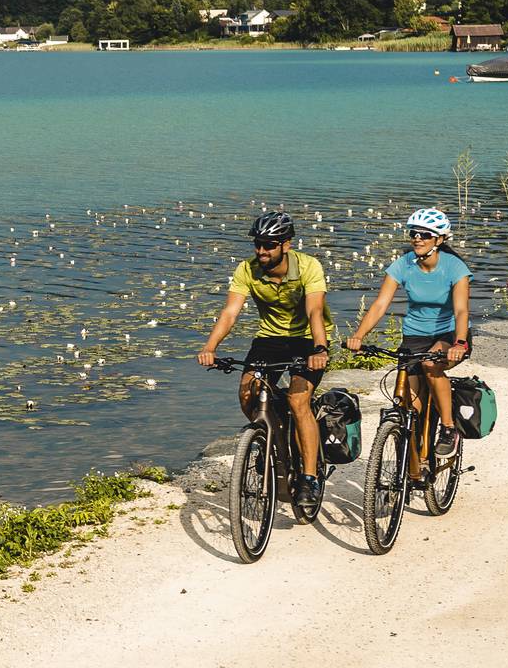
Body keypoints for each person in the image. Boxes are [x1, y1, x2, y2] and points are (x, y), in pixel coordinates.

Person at [197, 211, 332, 508]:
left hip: (308, 338)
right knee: (247, 394)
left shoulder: (308, 266)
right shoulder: (248, 269)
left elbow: (315, 313)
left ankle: (309, 477)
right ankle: (271, 438)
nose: (261, 251)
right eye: (258, 244)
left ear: (286, 244)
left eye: (269, 245)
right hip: (270, 339)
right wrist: (210, 346)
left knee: (299, 401)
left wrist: (320, 350)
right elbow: (230, 312)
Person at [344, 207, 473, 461]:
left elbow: (461, 311)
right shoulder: (404, 264)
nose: (417, 238)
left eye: (425, 234)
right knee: (409, 407)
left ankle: (448, 429)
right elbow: (381, 304)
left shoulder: (455, 268)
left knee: (430, 364)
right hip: (414, 336)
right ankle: (414, 463)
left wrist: (459, 342)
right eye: (413, 233)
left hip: (449, 334)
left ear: (439, 239)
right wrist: (358, 335)